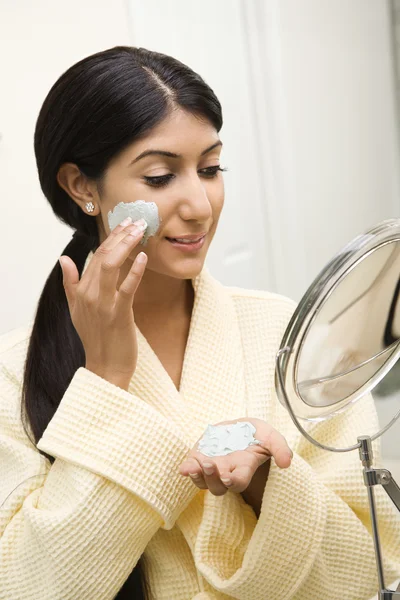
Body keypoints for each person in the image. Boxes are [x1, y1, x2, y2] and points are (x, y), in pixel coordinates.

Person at [0, 46, 399, 600]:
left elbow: (375, 562)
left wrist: (266, 485)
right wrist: (107, 382)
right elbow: (26, 587)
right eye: (161, 177)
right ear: (82, 187)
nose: (200, 205)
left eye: (211, 169)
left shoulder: (288, 336)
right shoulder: (12, 376)